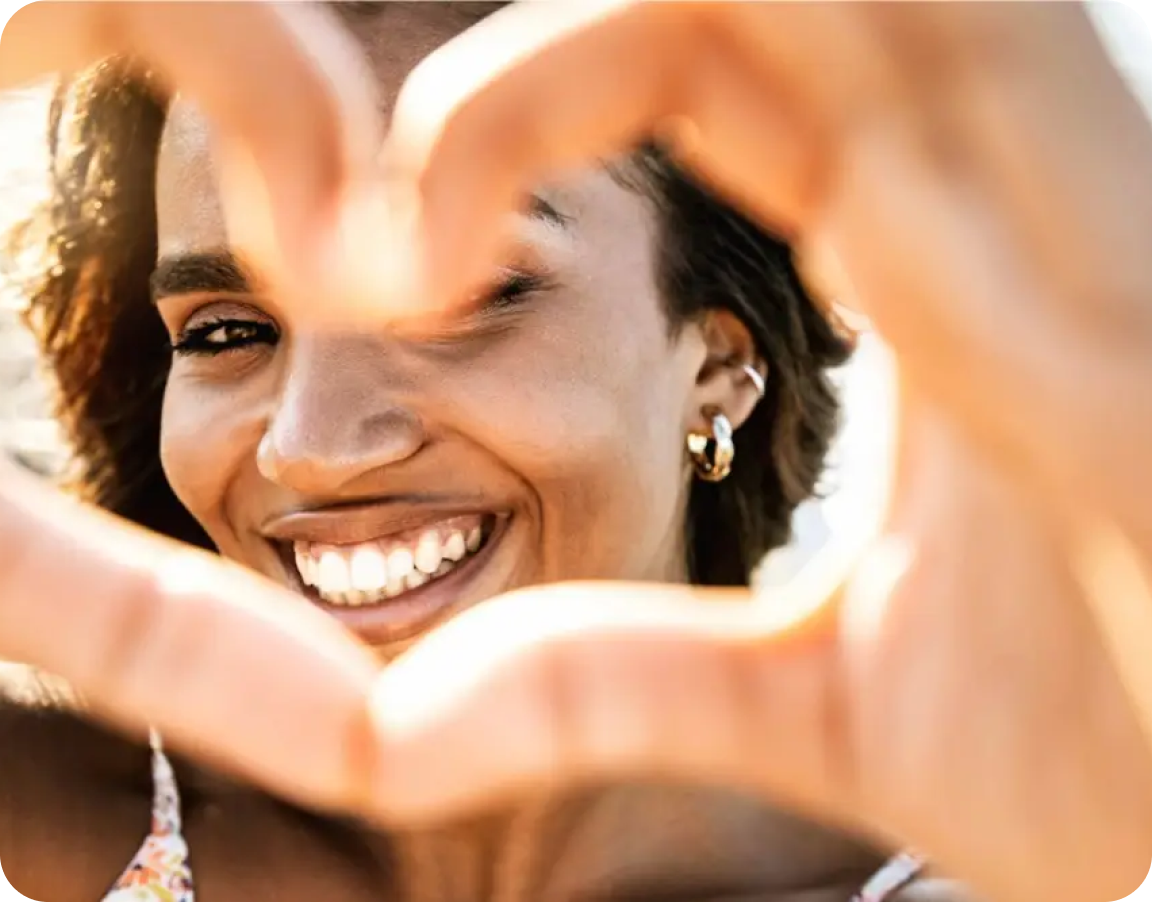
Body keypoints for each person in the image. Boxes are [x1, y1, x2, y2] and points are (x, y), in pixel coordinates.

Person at [1, 4, 1151, 901]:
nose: (311, 445)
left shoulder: (1034, 852)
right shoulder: (35, 808)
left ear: (720, 360)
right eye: (227, 332)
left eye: (461, 298)